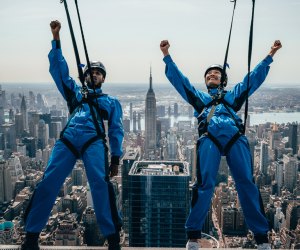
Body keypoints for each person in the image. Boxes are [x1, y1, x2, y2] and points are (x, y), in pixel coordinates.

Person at [160, 39, 282, 250]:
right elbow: (182, 83)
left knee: (247, 184)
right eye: (208, 75)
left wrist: (270, 54)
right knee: (205, 184)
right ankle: (193, 236)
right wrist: (167, 56)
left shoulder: (233, 98)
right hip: (210, 138)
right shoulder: (200, 99)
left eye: (215, 74)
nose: (211, 76)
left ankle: (262, 238)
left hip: (235, 138)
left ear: (223, 80)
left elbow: (251, 80)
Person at [21, 20, 124, 250]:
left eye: (98, 73)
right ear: (85, 77)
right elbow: (59, 71)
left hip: (93, 141)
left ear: (103, 78)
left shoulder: (109, 102)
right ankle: (30, 237)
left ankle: (113, 238)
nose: (94, 75)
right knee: (49, 182)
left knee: (100, 184)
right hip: (67, 141)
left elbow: (116, 129)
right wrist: (56, 39)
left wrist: (116, 157)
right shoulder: (75, 95)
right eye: (91, 72)